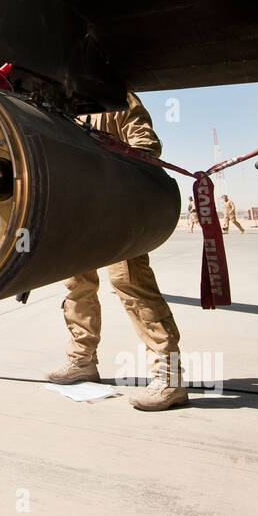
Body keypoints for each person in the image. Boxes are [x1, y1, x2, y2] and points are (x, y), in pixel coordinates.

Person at [47, 94, 187, 411]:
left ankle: (170, 377)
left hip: (117, 209)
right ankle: (82, 361)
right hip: (78, 210)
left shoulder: (117, 99)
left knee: (132, 285)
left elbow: (146, 146)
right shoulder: (58, 102)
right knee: (76, 286)